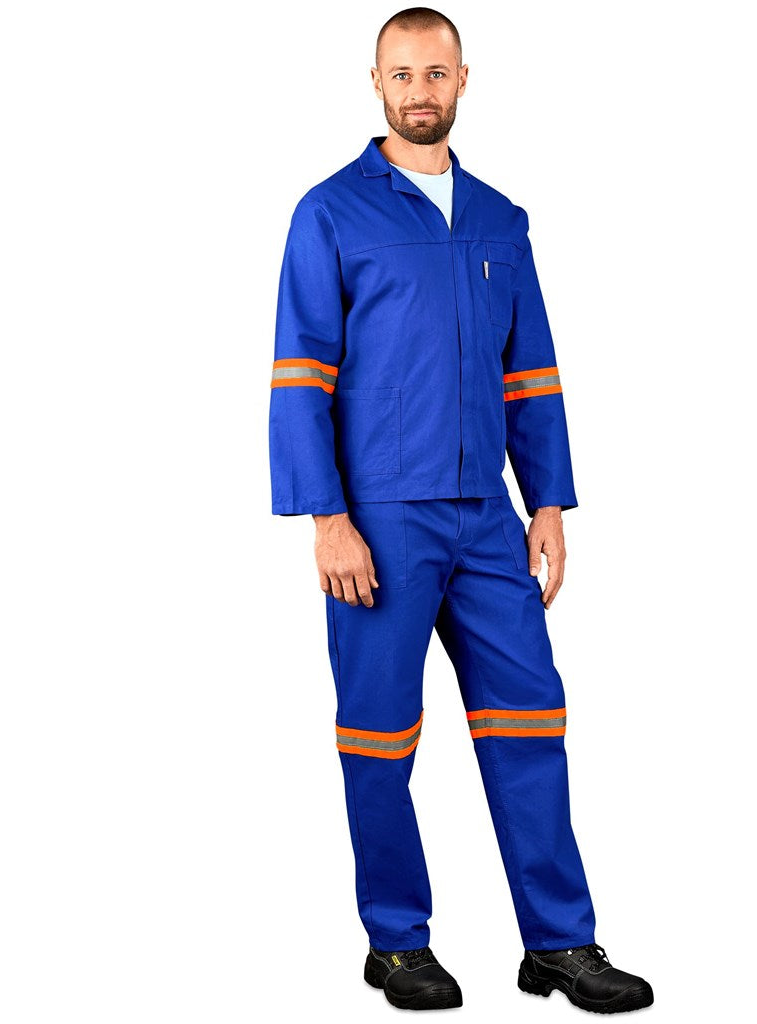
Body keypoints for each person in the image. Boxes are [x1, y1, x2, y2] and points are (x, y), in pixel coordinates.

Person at [268, 6, 653, 1014]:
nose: (419, 90)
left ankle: (559, 942)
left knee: (531, 719)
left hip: (487, 519)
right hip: (380, 519)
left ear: (464, 80)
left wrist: (549, 502)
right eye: (401, 74)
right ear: (376, 82)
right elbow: (300, 373)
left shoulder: (500, 219)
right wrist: (325, 517)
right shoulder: (330, 213)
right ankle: (397, 943)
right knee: (379, 735)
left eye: (435, 73)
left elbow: (531, 373)